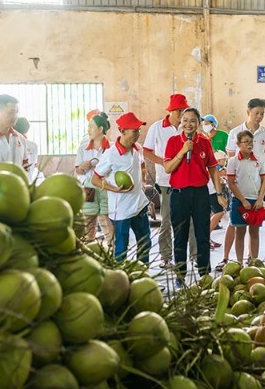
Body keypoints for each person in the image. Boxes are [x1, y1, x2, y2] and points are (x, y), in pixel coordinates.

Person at [163, 107, 227, 286]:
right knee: (180, 235)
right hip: (179, 194)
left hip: (200, 194)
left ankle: (204, 273)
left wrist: (219, 193)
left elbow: (213, 169)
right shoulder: (174, 141)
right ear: (181, 122)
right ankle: (180, 274)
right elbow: (168, 168)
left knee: (202, 235)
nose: (188, 124)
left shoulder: (205, 143)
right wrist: (183, 151)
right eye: (185, 120)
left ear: (198, 123)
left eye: (192, 120)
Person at [217, 98, 265, 269]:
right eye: (256, 113)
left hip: (257, 187)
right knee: (235, 226)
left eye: (262, 114)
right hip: (238, 190)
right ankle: (228, 258)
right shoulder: (235, 132)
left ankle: (252, 261)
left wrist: (257, 171)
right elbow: (231, 160)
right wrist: (240, 197)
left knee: (254, 229)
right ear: (248, 111)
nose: (259, 116)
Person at [143, 94, 197, 269]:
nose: (183, 114)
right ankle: (166, 257)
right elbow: (147, 151)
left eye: (184, 110)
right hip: (167, 181)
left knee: (190, 220)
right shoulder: (157, 128)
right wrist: (164, 162)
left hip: (188, 181)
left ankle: (195, 256)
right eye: (180, 111)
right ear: (172, 111)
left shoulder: (188, 128)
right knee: (167, 220)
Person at [91, 112, 151, 264]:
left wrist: (142, 182)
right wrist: (113, 189)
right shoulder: (110, 155)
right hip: (122, 210)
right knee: (121, 248)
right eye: (134, 130)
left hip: (139, 205)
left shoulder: (138, 148)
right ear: (123, 131)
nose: (138, 134)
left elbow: (142, 165)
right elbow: (95, 179)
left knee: (145, 243)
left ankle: (142, 276)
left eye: (139, 130)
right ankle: (121, 280)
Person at [225, 131, 265, 264]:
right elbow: (230, 183)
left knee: (254, 233)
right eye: (246, 142)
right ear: (238, 144)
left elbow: (264, 181)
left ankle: (254, 261)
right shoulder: (233, 161)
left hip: (256, 201)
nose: (249, 145)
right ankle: (239, 263)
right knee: (240, 233)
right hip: (239, 201)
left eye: (251, 142)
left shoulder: (260, 159)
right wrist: (243, 200)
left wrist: (260, 199)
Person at [75, 112, 114, 244]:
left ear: (100, 129)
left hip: (106, 188)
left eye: (91, 126)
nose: (88, 130)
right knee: (89, 224)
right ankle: (90, 252)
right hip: (89, 189)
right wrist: (82, 167)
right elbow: (78, 171)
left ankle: (111, 253)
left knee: (107, 222)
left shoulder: (113, 148)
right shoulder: (83, 149)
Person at [14, 117, 44, 183]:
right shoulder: (34, 145)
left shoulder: (11, 144)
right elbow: (34, 165)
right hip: (29, 181)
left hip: (16, 182)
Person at [208, 150, 228, 237]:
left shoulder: (218, 167)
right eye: (224, 160)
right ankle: (206, 235)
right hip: (211, 190)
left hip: (211, 190)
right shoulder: (215, 167)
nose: (225, 162)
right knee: (219, 212)